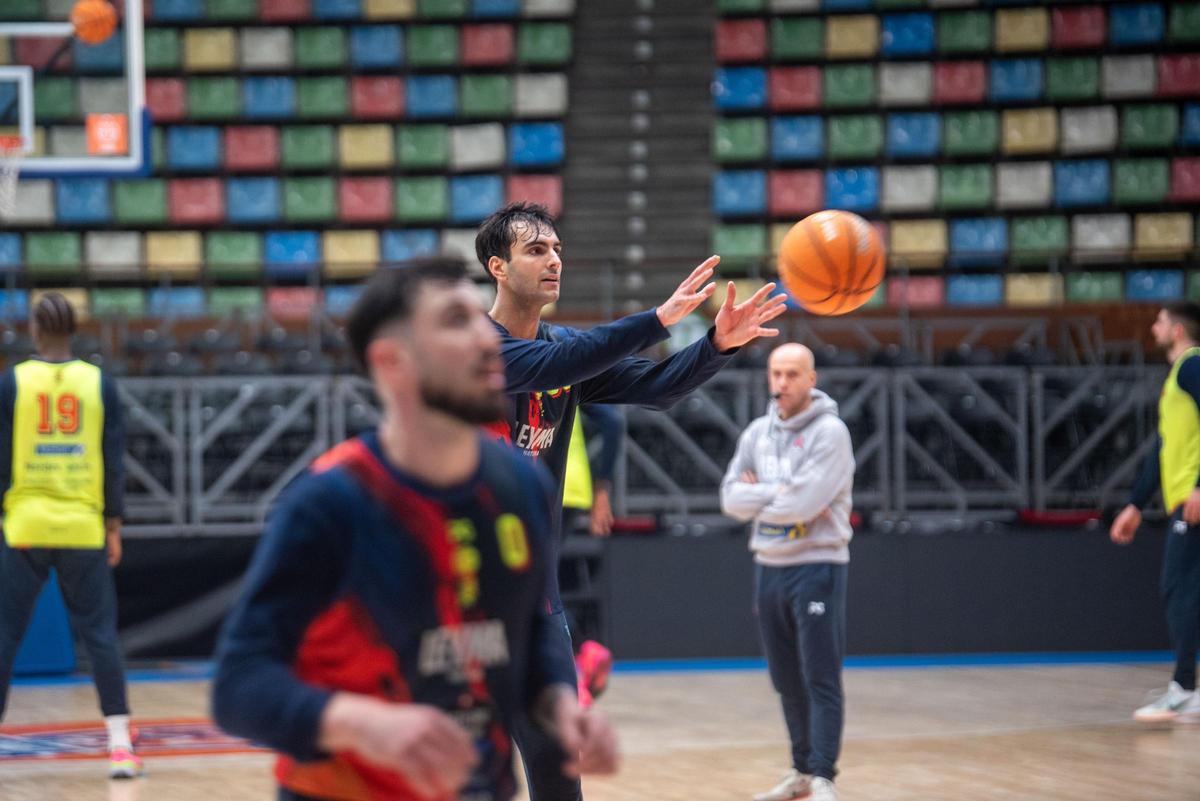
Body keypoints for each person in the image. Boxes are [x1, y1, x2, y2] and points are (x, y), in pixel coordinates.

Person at [211, 260, 617, 801]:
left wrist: (560, 704)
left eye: (478, 317)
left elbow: (528, 626)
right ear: (392, 361)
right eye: (455, 321)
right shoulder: (332, 500)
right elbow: (239, 686)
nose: (484, 338)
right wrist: (365, 725)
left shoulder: (517, 486)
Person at [477, 202, 787, 801]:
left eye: (558, 249)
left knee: (555, 761)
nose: (553, 260)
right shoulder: (475, 350)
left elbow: (657, 388)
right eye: (535, 250)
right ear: (497, 266)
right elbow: (556, 363)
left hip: (534, 600)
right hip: (462, 601)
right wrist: (658, 318)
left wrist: (717, 345)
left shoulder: (561, 348)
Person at [0, 292, 136, 779]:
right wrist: (114, 525)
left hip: (25, 525)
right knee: (100, 636)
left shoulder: (12, 382)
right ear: (74, 329)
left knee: (4, 637)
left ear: (35, 330)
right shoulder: (99, 383)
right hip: (83, 526)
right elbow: (113, 460)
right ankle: (120, 747)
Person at [720, 343, 855, 801]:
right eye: (776, 373)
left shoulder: (831, 432)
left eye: (792, 374)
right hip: (769, 567)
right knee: (785, 679)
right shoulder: (757, 432)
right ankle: (800, 770)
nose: (781, 382)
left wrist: (765, 496)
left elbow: (805, 503)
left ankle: (823, 776)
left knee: (820, 674)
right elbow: (729, 499)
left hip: (817, 564)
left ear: (811, 379)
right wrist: (781, 497)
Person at [1111, 302, 1200, 724]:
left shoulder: (1192, 366)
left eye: (1161, 321)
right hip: (1181, 499)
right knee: (1184, 588)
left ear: (1178, 330)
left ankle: (1184, 689)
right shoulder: (1177, 376)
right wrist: (1134, 504)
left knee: (1177, 586)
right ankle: (1186, 688)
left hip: (1194, 500)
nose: (1154, 328)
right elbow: (1163, 449)